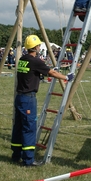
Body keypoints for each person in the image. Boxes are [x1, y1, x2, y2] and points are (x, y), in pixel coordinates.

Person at [11, 35, 75, 167]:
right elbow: (51, 73)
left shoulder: (23, 59)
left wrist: (47, 71)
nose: (40, 47)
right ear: (35, 47)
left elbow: (33, 73)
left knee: (18, 127)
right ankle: (28, 160)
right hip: (28, 98)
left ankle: (16, 155)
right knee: (29, 128)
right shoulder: (35, 61)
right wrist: (66, 77)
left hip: (20, 97)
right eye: (39, 45)